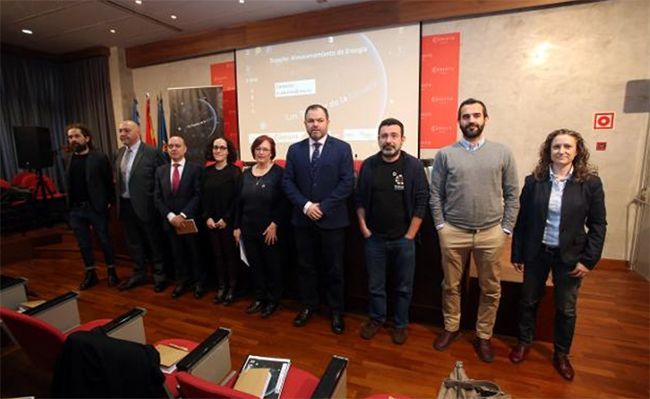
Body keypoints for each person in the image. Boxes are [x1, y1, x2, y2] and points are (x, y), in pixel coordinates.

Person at [509, 129, 606, 381]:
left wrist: (589, 260)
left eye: (567, 147)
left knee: (566, 308)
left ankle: (561, 354)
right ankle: (524, 342)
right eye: (556, 147)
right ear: (548, 151)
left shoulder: (590, 183)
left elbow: (598, 225)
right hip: (536, 252)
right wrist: (517, 252)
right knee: (529, 300)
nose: (561, 151)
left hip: (570, 257)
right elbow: (523, 220)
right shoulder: (535, 181)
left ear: (577, 151)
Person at [429, 98, 519, 362]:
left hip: (491, 232)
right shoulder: (446, 154)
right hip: (453, 231)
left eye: (476, 116)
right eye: (466, 117)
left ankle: (484, 335)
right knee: (450, 285)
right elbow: (436, 194)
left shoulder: (502, 153)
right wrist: (440, 226)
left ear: (485, 119)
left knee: (490, 288)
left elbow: (513, 194)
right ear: (459, 121)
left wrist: (506, 229)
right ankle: (451, 328)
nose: (471, 121)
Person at [355, 118, 429, 345]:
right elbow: (359, 199)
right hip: (374, 239)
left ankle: (400, 324)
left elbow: (421, 200)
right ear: (378, 139)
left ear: (402, 139)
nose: (388, 140)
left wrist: (410, 235)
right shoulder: (368, 165)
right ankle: (377, 319)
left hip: (404, 240)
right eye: (384, 136)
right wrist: (364, 229)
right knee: (376, 285)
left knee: (404, 287)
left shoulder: (414, 166)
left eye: (393, 136)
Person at [282, 104, 354, 335]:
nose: (315, 124)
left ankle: (336, 311)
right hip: (303, 221)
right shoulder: (294, 150)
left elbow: (347, 183)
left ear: (327, 122)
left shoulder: (342, 148)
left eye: (319, 120)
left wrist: (323, 206)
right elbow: (287, 182)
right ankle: (309, 306)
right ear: (305, 124)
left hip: (332, 220)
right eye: (311, 121)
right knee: (306, 267)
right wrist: (306, 206)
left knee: (334, 269)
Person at [234, 135, 286, 318]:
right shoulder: (245, 174)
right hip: (248, 228)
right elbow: (238, 203)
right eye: (258, 149)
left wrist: (275, 223)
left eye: (265, 149)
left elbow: (284, 202)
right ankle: (259, 297)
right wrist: (237, 226)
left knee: (272, 266)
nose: (261, 152)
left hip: (269, 230)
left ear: (272, 152)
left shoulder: (279, 173)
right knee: (255, 266)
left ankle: (273, 301)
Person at [64, 123, 119, 290]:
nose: (73, 139)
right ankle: (90, 273)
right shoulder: (68, 159)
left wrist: (109, 203)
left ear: (86, 138)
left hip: (95, 208)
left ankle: (111, 271)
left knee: (104, 240)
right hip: (76, 209)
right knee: (83, 243)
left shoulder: (99, 157)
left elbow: (108, 182)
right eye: (70, 137)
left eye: (76, 136)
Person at [114, 120, 168, 293]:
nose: (123, 134)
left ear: (137, 132)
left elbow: (162, 180)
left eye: (127, 130)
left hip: (148, 207)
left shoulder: (152, 153)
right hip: (126, 205)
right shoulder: (119, 152)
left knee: (154, 242)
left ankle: (160, 275)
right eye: (121, 131)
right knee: (133, 243)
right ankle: (139, 273)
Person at [153, 135, 204, 299]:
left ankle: (199, 283)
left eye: (177, 146)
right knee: (177, 254)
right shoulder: (160, 170)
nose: (174, 149)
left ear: (185, 148)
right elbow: (157, 197)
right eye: (170, 146)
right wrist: (170, 216)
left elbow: (198, 195)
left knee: (194, 253)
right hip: (170, 222)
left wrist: (182, 215)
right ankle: (182, 282)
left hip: (189, 220)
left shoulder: (195, 169)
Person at [201, 137, 241, 305]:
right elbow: (203, 198)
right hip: (211, 222)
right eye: (215, 147)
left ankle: (232, 288)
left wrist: (226, 218)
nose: (218, 151)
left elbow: (237, 199)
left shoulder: (235, 172)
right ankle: (221, 287)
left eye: (222, 148)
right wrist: (207, 217)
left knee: (230, 256)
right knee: (217, 256)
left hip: (228, 222)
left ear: (228, 151)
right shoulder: (207, 172)